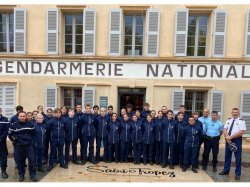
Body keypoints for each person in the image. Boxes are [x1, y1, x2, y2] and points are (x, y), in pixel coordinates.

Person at [8, 111, 37, 182]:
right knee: (20, 162)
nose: (22, 117)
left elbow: (34, 134)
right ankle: (21, 175)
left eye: (24, 116)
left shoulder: (30, 124)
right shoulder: (14, 125)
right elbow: (10, 135)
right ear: (18, 117)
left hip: (29, 146)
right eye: (21, 116)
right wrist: (14, 141)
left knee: (32, 161)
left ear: (26, 117)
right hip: (19, 146)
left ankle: (32, 175)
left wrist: (31, 141)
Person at [219, 108, 246, 180]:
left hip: (237, 140)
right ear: (231, 113)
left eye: (236, 112)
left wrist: (230, 137)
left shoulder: (241, 121)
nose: (234, 113)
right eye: (233, 112)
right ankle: (226, 170)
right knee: (227, 156)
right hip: (228, 139)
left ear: (238, 113)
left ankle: (237, 174)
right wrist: (226, 137)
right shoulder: (228, 120)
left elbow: (241, 132)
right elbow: (225, 129)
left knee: (237, 158)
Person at [0, 108, 10, 179]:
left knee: (3, 157)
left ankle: (3, 171)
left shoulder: (5, 120)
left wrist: (0, 138)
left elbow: (6, 131)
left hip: (2, 142)